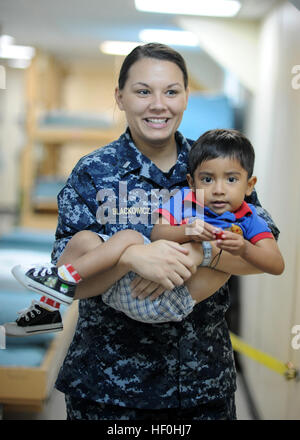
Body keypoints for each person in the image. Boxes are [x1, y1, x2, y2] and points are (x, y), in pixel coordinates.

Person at [4, 43, 281, 420]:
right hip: (105, 387)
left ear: (186, 97)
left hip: (199, 386)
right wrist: (130, 255)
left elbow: (259, 256)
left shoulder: (216, 167)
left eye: (171, 91)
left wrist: (205, 254)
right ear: (120, 97)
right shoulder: (93, 173)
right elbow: (67, 280)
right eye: (142, 91)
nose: (158, 104)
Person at [9, 128, 284, 325]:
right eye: (208, 180)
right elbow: (158, 232)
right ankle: (52, 302)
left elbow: (275, 264)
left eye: (232, 180)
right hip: (128, 285)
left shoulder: (248, 219)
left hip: (169, 299)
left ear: (249, 185)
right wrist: (187, 231)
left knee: (132, 238)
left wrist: (240, 249)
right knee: (84, 240)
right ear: (192, 182)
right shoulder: (187, 201)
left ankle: (61, 284)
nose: (219, 190)